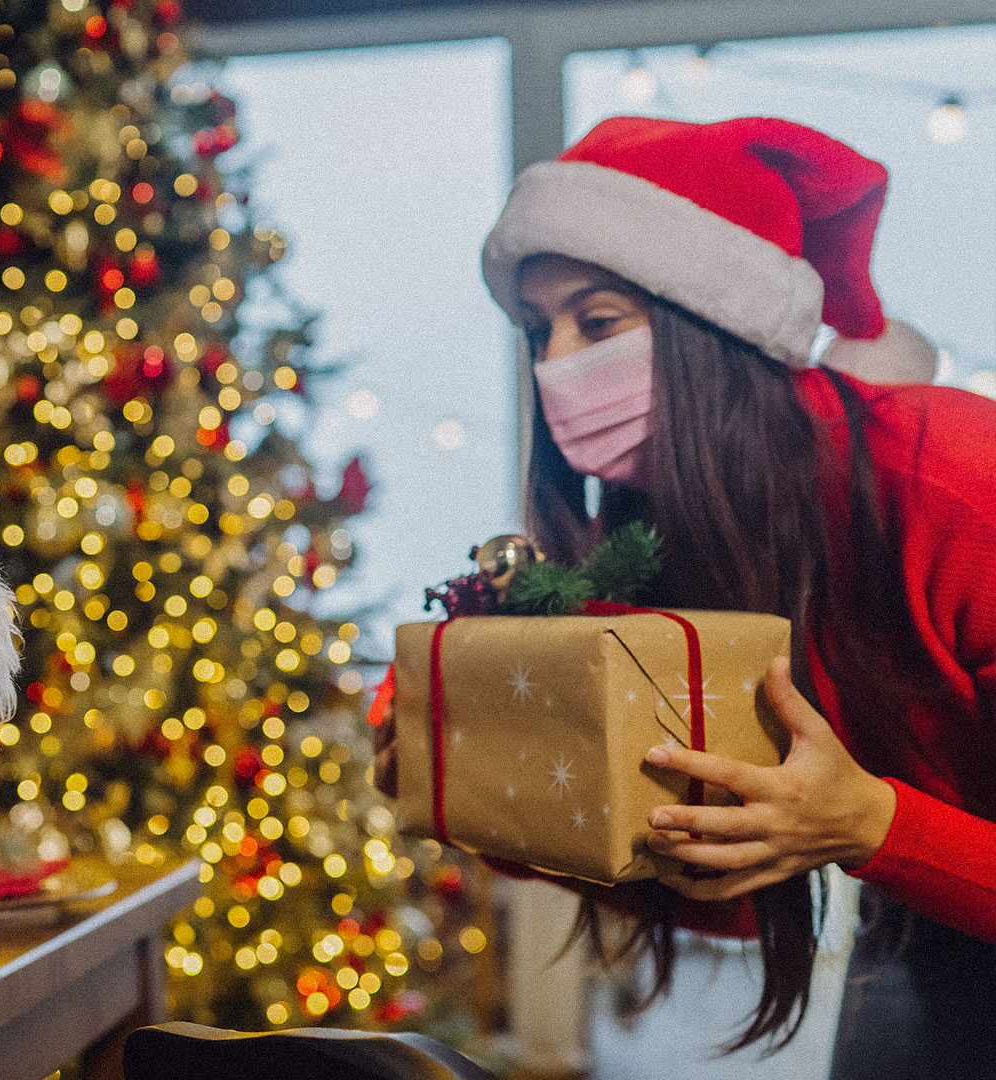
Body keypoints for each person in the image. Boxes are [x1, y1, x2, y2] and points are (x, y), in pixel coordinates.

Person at [371, 116, 996, 1075]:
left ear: (719, 316)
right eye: (539, 331)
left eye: (598, 320)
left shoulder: (957, 483)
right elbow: (728, 887)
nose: (554, 366)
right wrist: (480, 785)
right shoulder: (672, 539)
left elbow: (860, 828)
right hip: (923, 917)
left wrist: (872, 823)